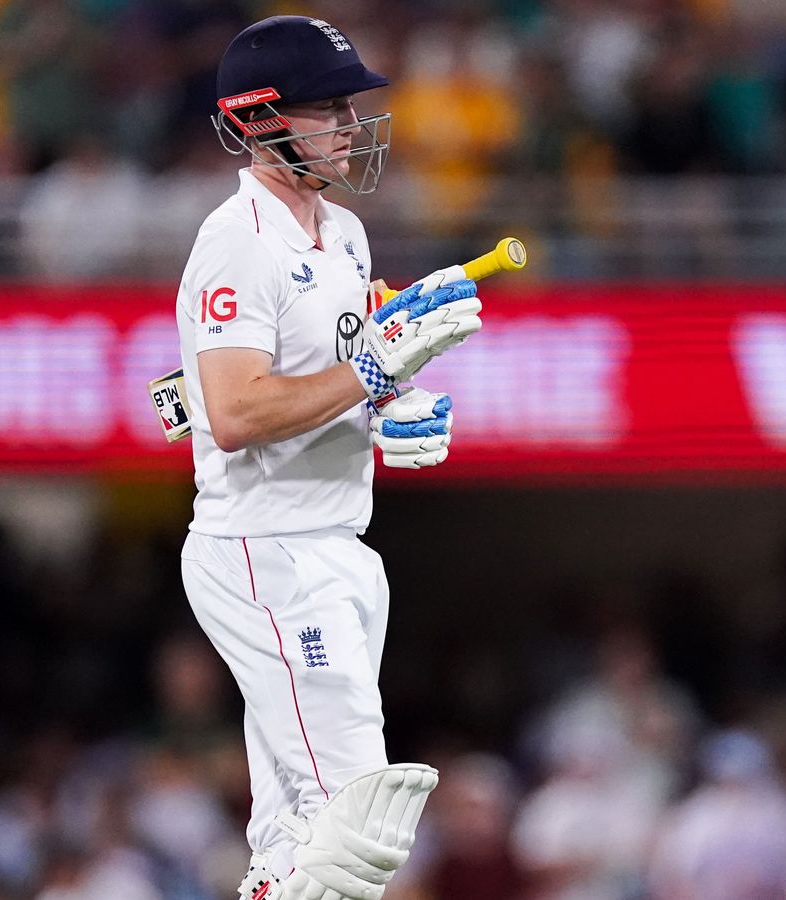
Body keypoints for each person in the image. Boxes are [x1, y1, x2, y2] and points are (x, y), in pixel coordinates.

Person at [175, 15, 484, 900]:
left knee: (291, 846)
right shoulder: (236, 242)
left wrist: (393, 403)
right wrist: (371, 371)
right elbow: (233, 412)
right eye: (330, 109)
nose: (351, 126)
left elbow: (340, 377)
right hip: (266, 552)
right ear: (264, 121)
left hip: (339, 542)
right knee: (356, 817)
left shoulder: (344, 235)